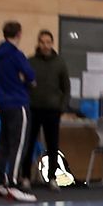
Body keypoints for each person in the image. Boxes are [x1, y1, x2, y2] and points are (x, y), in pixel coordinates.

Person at [0, 20, 37, 202]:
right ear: (19, 34)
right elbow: (31, 75)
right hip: (18, 103)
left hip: (2, 103)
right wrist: (26, 81)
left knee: (4, 142)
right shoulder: (17, 55)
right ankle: (14, 184)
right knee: (18, 145)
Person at [22, 29, 71, 189]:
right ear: (38, 43)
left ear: (52, 43)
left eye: (48, 42)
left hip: (52, 110)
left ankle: (52, 178)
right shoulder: (30, 62)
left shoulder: (60, 63)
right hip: (33, 109)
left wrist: (62, 107)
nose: (45, 45)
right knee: (29, 144)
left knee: (53, 146)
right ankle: (25, 177)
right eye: (42, 42)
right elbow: (23, 85)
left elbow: (66, 87)